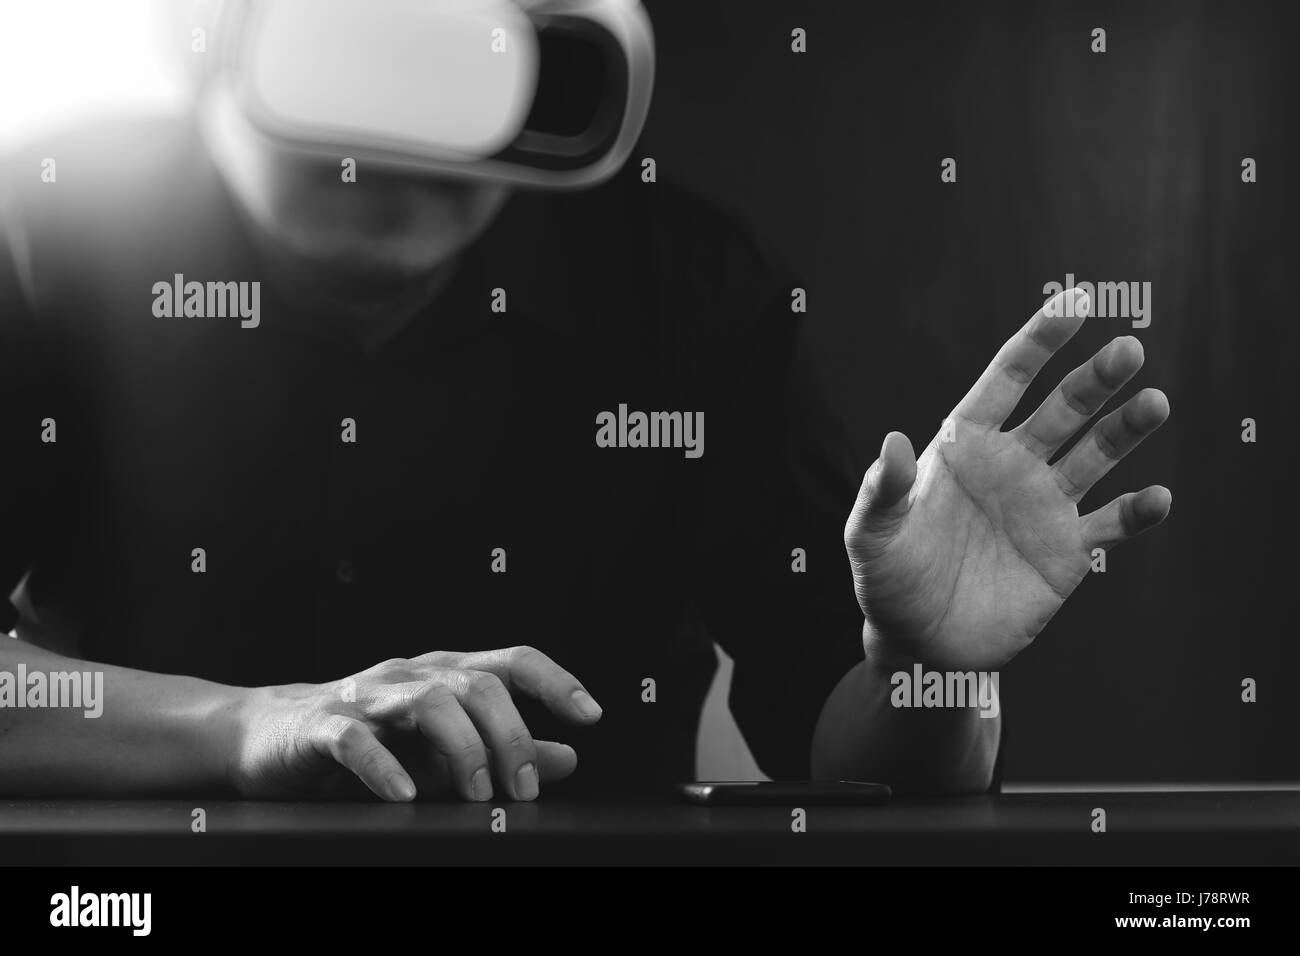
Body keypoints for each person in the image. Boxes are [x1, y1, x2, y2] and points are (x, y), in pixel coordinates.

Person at [0, 26, 1170, 804]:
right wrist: (248, 727)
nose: (391, 142)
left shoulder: (685, 283)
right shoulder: (44, 230)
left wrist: (929, 670)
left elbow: (855, 752)